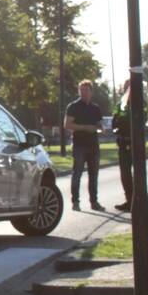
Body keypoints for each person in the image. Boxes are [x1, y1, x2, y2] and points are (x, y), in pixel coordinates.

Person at [64, 79, 104, 212]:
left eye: (86, 90)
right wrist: (84, 127)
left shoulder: (95, 108)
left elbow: (100, 125)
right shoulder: (73, 106)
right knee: (77, 174)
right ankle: (75, 201)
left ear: (91, 92)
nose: (84, 93)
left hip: (93, 144)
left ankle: (94, 202)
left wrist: (99, 128)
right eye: (81, 90)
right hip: (79, 145)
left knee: (94, 175)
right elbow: (67, 124)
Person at [112, 79, 145, 213]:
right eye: (127, 88)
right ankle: (129, 201)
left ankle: (141, 201)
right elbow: (115, 123)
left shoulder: (141, 104)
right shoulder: (120, 105)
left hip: (136, 144)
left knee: (138, 174)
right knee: (125, 174)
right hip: (123, 143)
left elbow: (141, 121)